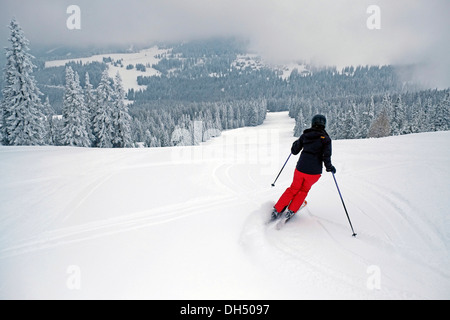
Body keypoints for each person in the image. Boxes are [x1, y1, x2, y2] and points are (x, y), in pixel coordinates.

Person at [272, 114, 336, 220]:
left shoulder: (305, 135)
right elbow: (326, 156)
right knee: (303, 191)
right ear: (324, 124)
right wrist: (329, 167)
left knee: (293, 189)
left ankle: (277, 209)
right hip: (314, 173)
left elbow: (294, 151)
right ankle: (291, 210)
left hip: (301, 169)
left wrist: (296, 143)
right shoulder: (326, 139)